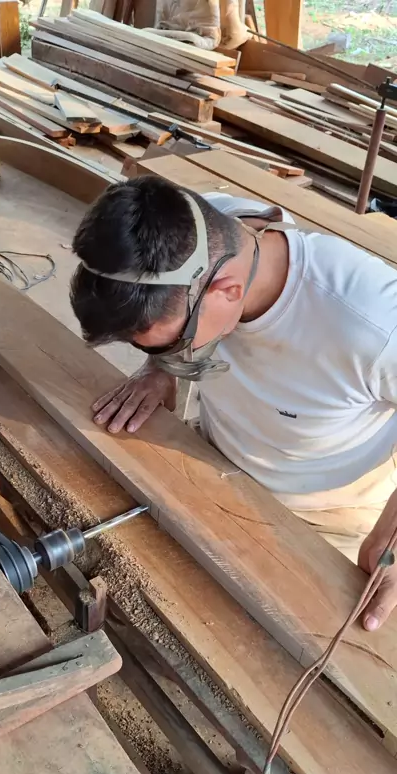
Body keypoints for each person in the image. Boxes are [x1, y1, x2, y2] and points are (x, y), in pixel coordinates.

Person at [70, 175, 397, 632]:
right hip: (218, 462)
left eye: (170, 343)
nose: (169, 353)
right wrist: (160, 367)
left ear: (227, 291)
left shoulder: (373, 322)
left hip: (326, 514)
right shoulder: (197, 226)